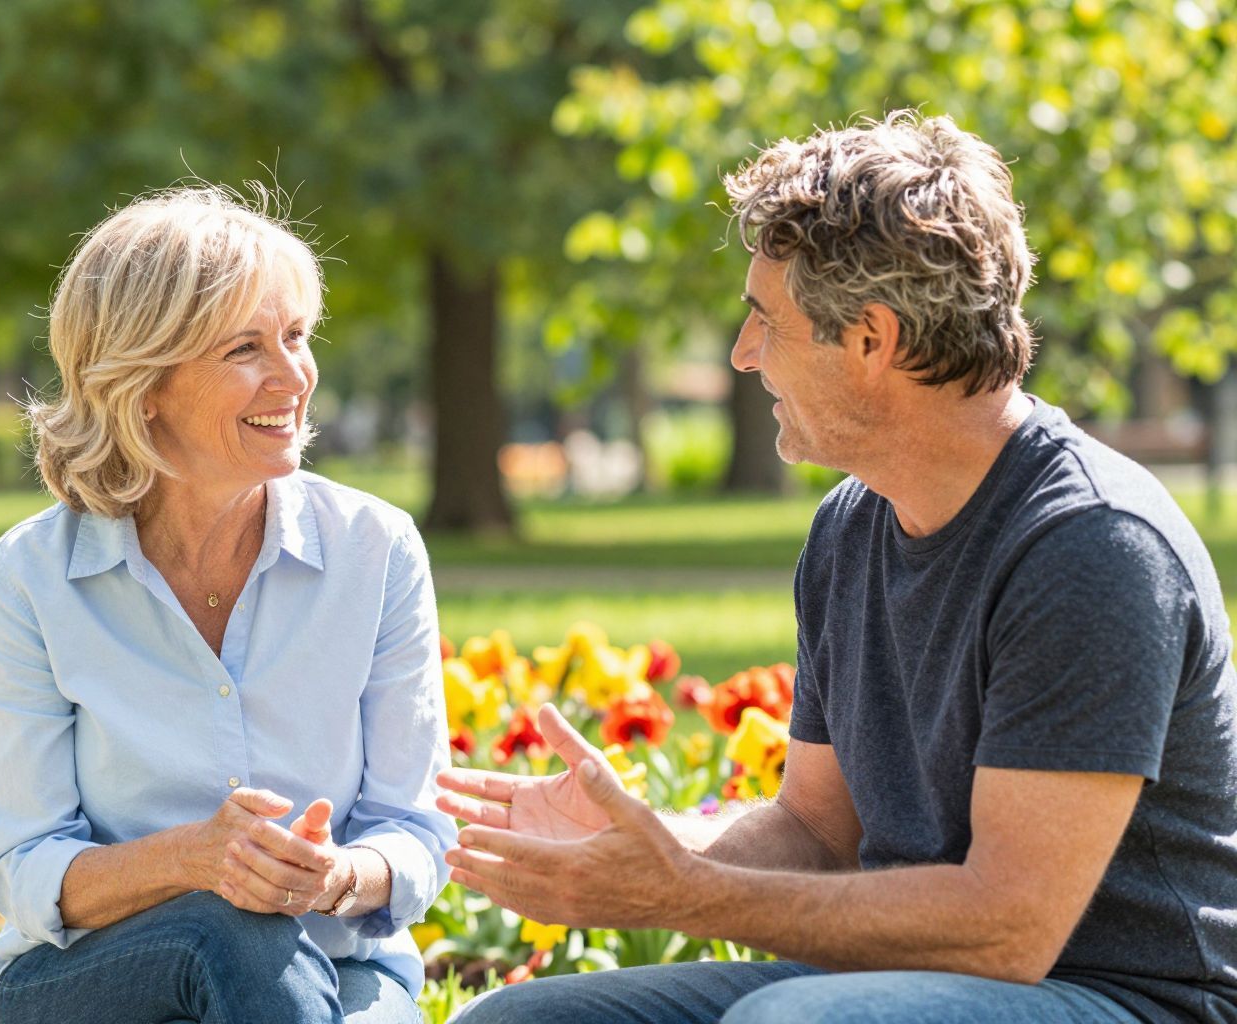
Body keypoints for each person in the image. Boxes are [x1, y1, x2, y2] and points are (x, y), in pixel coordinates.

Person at [439, 112, 1237, 1024]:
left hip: (1123, 998)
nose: (742, 354)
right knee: (515, 1022)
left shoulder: (1092, 547)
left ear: (871, 340)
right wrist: (638, 839)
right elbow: (817, 833)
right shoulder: (851, 525)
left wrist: (674, 896)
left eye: (764, 321)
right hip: (904, 985)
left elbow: (1008, 930)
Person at [0, 187, 455, 1024]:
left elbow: (414, 827)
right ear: (142, 384)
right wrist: (198, 862)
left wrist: (342, 875)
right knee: (228, 933)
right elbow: (27, 866)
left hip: (342, 972)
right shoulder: (29, 577)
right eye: (245, 348)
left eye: (297, 337)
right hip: (98, 981)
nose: (293, 375)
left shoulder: (375, 550)